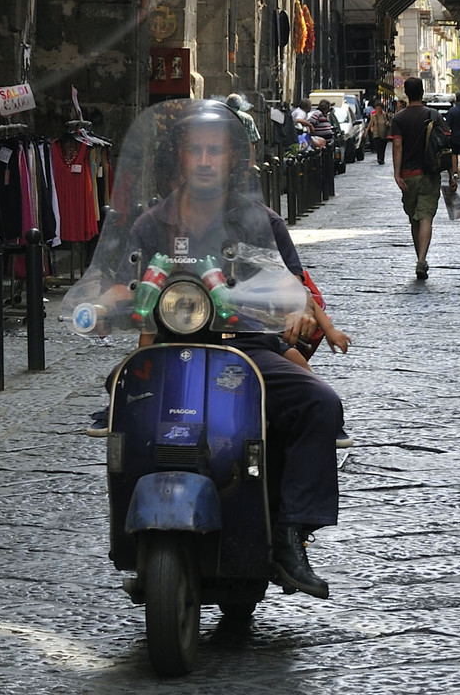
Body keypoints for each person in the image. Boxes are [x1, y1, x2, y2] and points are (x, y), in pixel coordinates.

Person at [125, 102, 346, 600]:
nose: (205, 160)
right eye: (195, 150)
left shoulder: (260, 222)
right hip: (166, 353)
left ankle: (290, 535)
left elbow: (290, 284)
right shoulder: (150, 225)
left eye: (215, 151)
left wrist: (297, 313)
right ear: (179, 160)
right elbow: (120, 281)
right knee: (123, 415)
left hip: (247, 351)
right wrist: (97, 304)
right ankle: (133, 531)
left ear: (233, 161)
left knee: (320, 404)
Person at [390, 77, 442, 280]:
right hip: (430, 173)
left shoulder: (399, 118)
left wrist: (397, 173)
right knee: (426, 216)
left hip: (409, 175)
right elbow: (445, 145)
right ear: (422, 91)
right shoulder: (434, 115)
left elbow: (397, 146)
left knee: (414, 219)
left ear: (406, 92)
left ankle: (419, 257)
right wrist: (452, 173)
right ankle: (422, 259)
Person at [368, 95, 392, 166]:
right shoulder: (373, 116)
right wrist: (367, 131)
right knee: (378, 147)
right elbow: (370, 123)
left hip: (384, 133)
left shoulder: (385, 115)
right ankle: (379, 159)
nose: (378, 109)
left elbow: (387, 122)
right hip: (376, 134)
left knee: (383, 147)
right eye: (377, 108)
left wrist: (388, 124)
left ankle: (382, 158)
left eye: (380, 108)